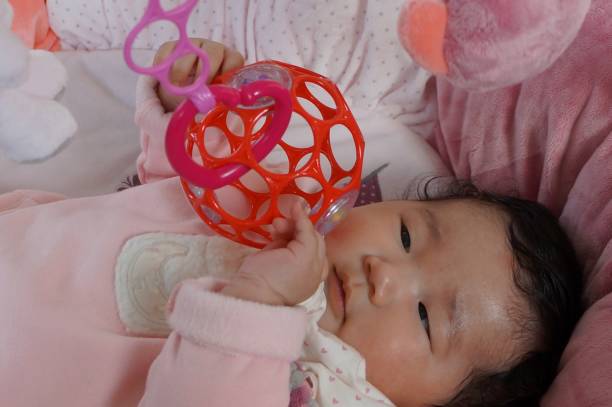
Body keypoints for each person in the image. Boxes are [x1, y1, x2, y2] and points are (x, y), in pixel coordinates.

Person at [0, 39, 583, 407]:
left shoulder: (325, 390)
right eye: (406, 235)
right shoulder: (289, 206)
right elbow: (171, 194)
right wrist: (193, 111)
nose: (385, 274)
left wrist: (259, 307)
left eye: (427, 318)